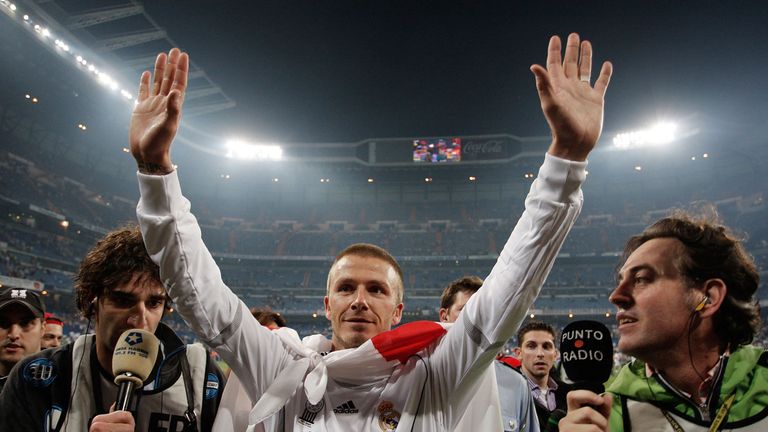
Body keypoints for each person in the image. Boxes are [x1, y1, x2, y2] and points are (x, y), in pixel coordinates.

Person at [126, 31, 611, 431]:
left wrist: (565, 162)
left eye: (376, 289)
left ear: (398, 308)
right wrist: (155, 170)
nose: (360, 299)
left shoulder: (436, 373)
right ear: (326, 304)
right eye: (346, 288)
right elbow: (200, 295)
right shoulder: (284, 369)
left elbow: (507, 294)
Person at [0, 226, 226, 432]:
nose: (139, 321)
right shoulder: (37, 377)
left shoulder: (202, 374)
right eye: (122, 300)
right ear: (91, 302)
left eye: (154, 303)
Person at [559, 213, 767, 431]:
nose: (615, 296)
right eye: (620, 281)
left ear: (707, 298)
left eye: (641, 279)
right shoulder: (606, 416)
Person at [440, 276, 540, 432]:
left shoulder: (516, 385)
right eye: (465, 310)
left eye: (483, 312)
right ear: (444, 315)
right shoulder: (422, 376)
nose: (475, 319)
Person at [513, 321, 569, 430]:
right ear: (519, 354)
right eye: (531, 346)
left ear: (555, 355)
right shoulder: (508, 393)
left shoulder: (567, 394)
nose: (540, 354)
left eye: (546, 346)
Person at [0, 287, 45, 392]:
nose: (14, 334)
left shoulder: (63, 387)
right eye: (3, 322)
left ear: (43, 329)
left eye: (25, 323)